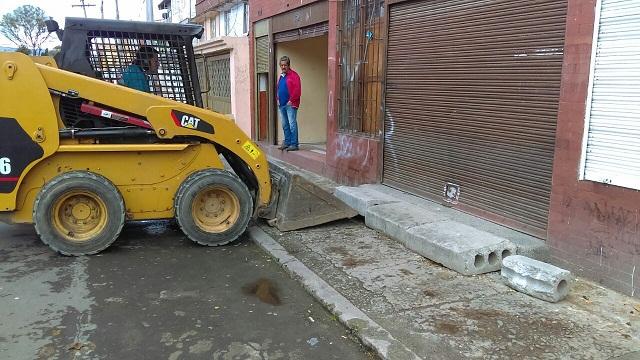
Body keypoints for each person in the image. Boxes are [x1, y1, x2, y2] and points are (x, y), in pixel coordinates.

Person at [276, 55, 301, 151]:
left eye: (285, 65)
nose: (283, 67)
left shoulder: (294, 75)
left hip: (291, 104)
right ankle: (287, 142)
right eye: (281, 65)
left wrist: (291, 100)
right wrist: (277, 99)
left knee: (292, 124)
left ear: (288, 65)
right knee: (285, 124)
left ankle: (294, 144)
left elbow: (297, 90)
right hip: (282, 104)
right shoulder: (282, 76)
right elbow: (278, 89)